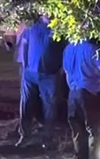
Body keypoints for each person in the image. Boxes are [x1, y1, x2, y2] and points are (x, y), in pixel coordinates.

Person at [11, 16, 67, 149]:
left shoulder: (58, 28)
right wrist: (24, 65)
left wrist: (61, 69)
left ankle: (47, 138)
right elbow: (25, 44)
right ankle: (25, 136)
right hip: (30, 73)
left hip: (50, 74)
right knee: (26, 104)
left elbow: (65, 50)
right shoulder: (32, 26)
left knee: (50, 106)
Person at [62, 39, 100, 159]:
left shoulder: (69, 48)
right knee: (97, 131)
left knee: (78, 132)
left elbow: (66, 70)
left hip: (73, 93)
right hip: (91, 93)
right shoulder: (94, 49)